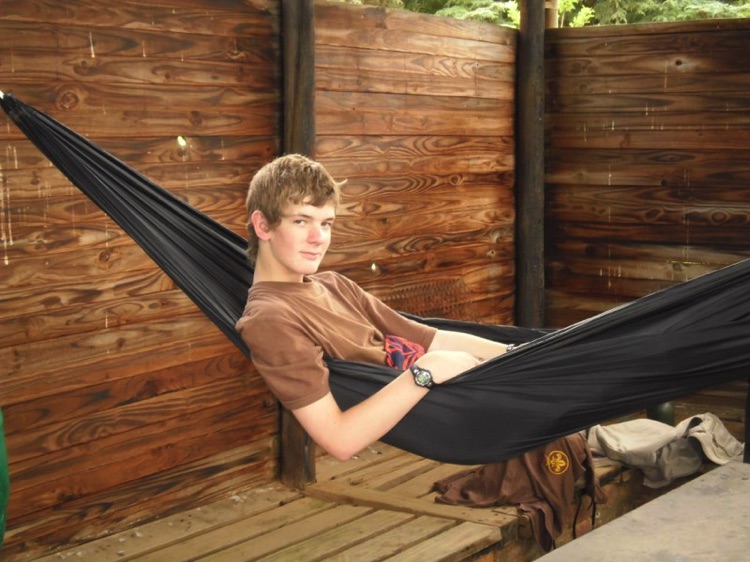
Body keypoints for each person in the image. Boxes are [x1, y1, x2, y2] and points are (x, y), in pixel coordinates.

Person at [236, 154, 514, 460]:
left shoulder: (334, 284)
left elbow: (431, 338)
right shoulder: (269, 319)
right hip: (442, 404)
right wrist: (426, 372)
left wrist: (516, 354)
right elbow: (339, 440)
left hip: (462, 388)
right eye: (301, 221)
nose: (319, 238)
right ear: (263, 225)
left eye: (326, 223)